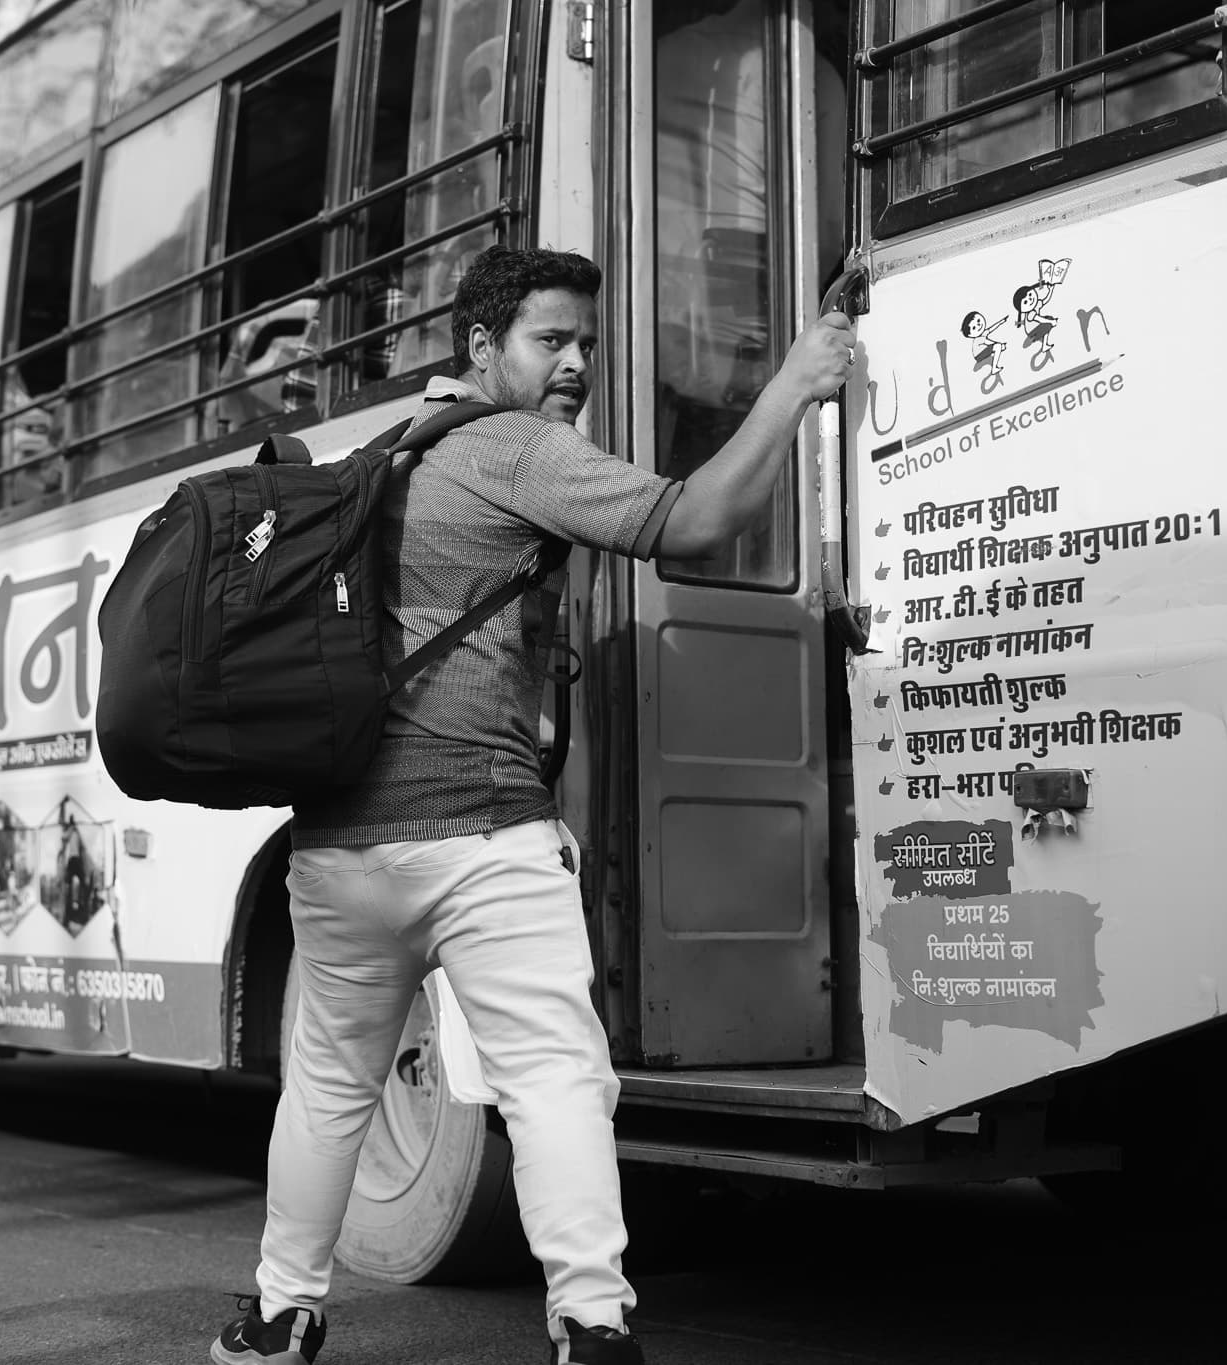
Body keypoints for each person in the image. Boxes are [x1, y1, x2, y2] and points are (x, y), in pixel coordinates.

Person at [212, 245, 855, 1365]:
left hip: (339, 850)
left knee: (326, 1087)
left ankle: (278, 1318)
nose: (575, 365)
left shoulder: (384, 451)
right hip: (479, 836)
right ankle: (591, 1325)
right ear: (482, 347)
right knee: (554, 1079)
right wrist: (795, 380)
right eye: (549, 341)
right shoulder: (516, 448)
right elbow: (694, 520)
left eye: (586, 345)